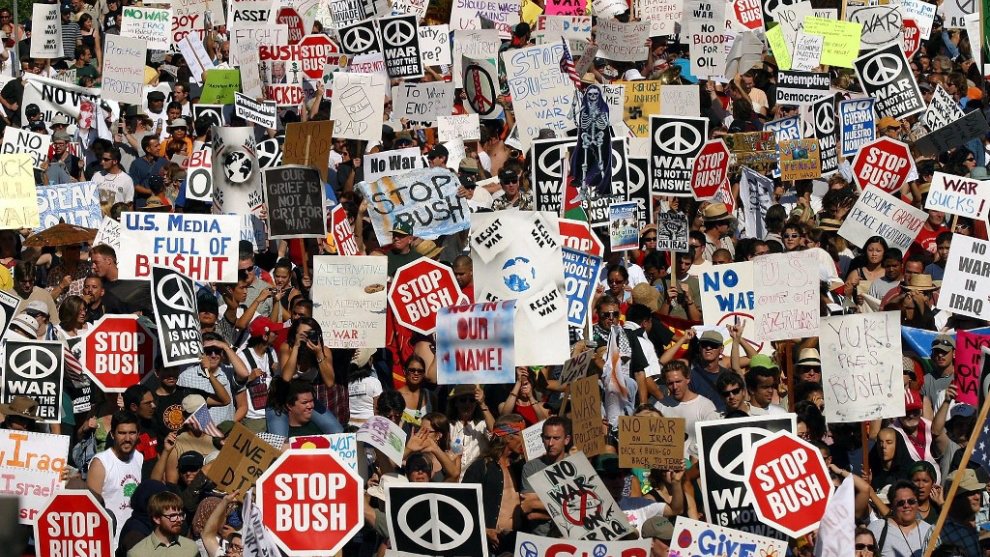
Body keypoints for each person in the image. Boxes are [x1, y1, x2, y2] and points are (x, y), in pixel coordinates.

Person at [88, 412, 144, 545]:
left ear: (138, 434)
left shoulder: (138, 457)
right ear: (112, 434)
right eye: (122, 433)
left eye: (132, 433)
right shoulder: (100, 463)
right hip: (109, 541)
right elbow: (90, 509)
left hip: (133, 539)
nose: (127, 438)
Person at [868, 480, 934, 557]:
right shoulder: (877, 528)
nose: (906, 505)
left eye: (911, 501)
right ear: (892, 506)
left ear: (917, 504)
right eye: (901, 503)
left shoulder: (930, 531)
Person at [127, 491, 198, 557]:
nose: (179, 519)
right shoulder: (138, 553)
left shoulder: (192, 548)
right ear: (157, 519)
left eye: (180, 515)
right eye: (172, 516)